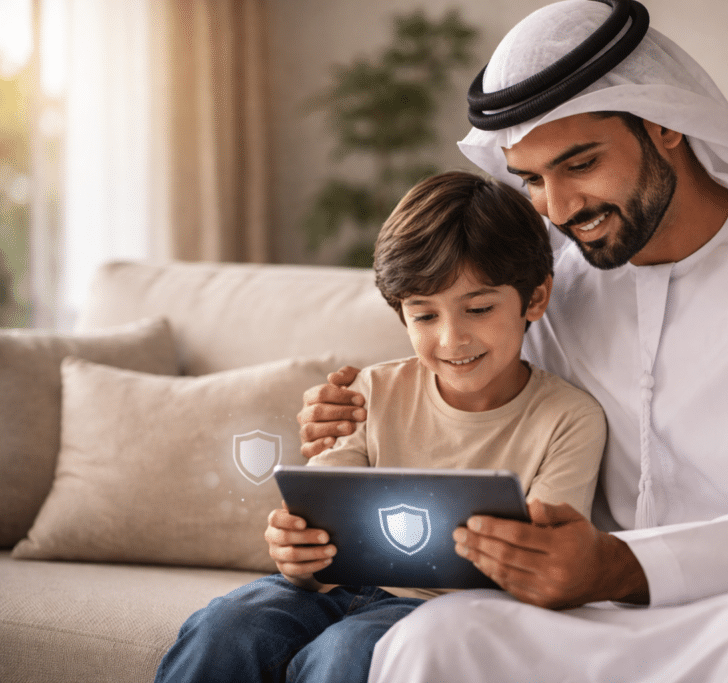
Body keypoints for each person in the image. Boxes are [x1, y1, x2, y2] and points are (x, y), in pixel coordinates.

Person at [298, 1, 728, 681]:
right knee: (433, 639)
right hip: (604, 603)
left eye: (579, 164)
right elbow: (483, 409)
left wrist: (621, 565)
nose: (560, 208)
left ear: (666, 122)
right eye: (533, 181)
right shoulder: (558, 282)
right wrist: (362, 417)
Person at [154, 171, 606, 683]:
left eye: (478, 309)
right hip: (334, 591)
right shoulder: (370, 392)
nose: (453, 338)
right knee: (225, 627)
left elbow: (546, 564)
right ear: (401, 315)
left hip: (445, 609)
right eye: (424, 316)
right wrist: (295, 555)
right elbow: (316, 521)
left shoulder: (568, 420)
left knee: (350, 652)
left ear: (534, 300)